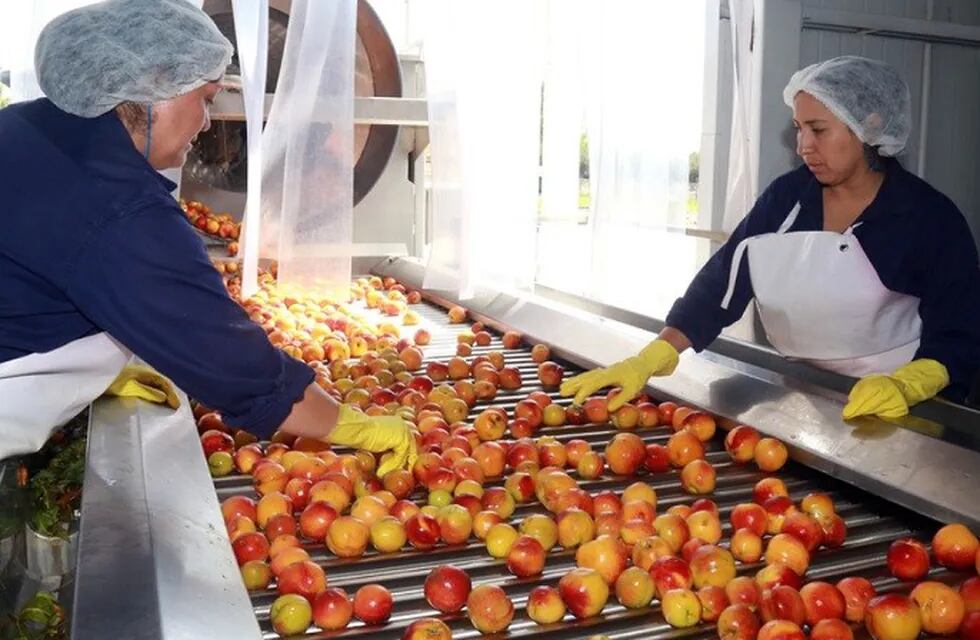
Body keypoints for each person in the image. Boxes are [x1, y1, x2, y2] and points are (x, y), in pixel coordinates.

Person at [0, 0, 416, 473]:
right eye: (206, 98)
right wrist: (353, 426)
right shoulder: (118, 207)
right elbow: (232, 363)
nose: (206, 123)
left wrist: (89, 370)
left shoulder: (23, 129)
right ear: (154, 86)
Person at [562, 56, 980, 420]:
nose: (803, 146)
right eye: (799, 129)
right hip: (806, 395)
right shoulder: (788, 199)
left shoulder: (928, 218)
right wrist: (654, 355)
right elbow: (724, 281)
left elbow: (961, 328)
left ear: (869, 126)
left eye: (818, 130)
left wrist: (908, 385)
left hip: (901, 409)